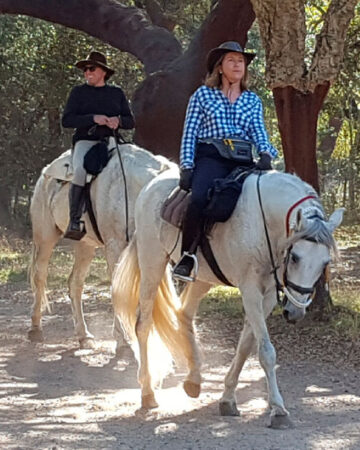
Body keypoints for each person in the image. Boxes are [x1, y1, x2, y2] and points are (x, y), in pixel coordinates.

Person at [173, 41, 278, 281]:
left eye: (241, 61)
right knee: (199, 197)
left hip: (242, 159)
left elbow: (259, 132)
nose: (237, 65)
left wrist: (266, 153)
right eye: (231, 60)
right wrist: (187, 166)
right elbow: (189, 133)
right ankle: (187, 256)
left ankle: (268, 258)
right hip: (211, 156)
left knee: (265, 197)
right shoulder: (202, 95)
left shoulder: (252, 100)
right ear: (220, 67)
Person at [62, 51, 135, 240]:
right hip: (86, 141)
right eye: (85, 70)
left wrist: (117, 121)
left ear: (103, 72)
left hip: (112, 142)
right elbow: (67, 120)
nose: (87, 73)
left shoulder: (116, 93)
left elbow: (130, 121)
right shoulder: (78, 92)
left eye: (91, 69)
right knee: (79, 171)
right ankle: (74, 220)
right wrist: (93, 118)